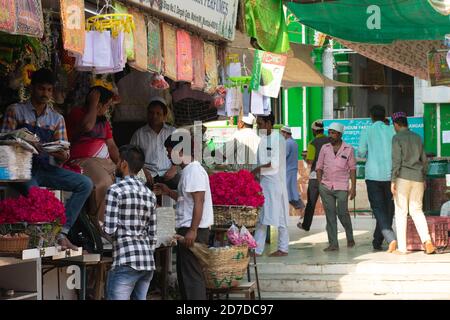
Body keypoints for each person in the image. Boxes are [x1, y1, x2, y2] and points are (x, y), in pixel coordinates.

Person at [1, 68, 93, 250]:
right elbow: (3, 141)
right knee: (37, 194)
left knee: (86, 184)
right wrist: (22, 142)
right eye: (42, 89)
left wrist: (58, 153)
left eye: (49, 90)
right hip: (20, 170)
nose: (46, 94)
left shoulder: (57, 118)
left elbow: (65, 154)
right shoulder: (15, 111)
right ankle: (44, 236)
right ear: (32, 88)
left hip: (45, 168)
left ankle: (62, 231)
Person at [154, 133, 213, 300]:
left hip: (194, 230)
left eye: (169, 150)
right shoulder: (188, 171)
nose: (167, 154)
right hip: (188, 229)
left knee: (191, 278)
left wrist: (193, 230)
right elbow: (185, 200)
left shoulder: (193, 171)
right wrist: (167, 191)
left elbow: (198, 202)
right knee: (186, 276)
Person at [104, 145, 157, 300]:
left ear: (124, 164)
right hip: (147, 262)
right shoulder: (150, 194)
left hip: (126, 261)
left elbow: (110, 229)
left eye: (119, 161)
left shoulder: (115, 190)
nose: (117, 164)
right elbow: (152, 235)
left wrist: (99, 225)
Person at [66, 86, 119, 224]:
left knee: (125, 181)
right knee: (104, 182)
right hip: (82, 160)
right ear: (98, 104)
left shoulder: (104, 121)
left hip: (103, 162)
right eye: (106, 106)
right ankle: (100, 227)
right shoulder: (78, 114)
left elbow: (112, 146)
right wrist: (93, 103)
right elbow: (88, 126)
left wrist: (123, 165)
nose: (107, 110)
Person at [391, 112, 436, 254]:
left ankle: (402, 248)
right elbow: (425, 160)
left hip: (402, 177)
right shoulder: (417, 138)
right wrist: (423, 177)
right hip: (418, 178)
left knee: (401, 212)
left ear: (396, 125)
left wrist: (393, 180)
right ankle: (427, 241)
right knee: (417, 210)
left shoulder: (397, 138)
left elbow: (396, 161)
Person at [358, 105, 397, 252]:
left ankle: (390, 237)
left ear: (371, 117)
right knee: (388, 209)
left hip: (373, 176)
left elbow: (361, 153)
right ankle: (377, 241)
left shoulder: (367, 130)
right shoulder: (392, 130)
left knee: (378, 209)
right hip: (390, 175)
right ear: (384, 116)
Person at [252, 114, 290, 257]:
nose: (258, 127)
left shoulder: (278, 139)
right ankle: (257, 249)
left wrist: (255, 171)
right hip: (264, 183)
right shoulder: (262, 140)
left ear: (268, 123)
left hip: (275, 184)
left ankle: (283, 248)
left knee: (280, 217)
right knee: (262, 216)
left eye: (260, 124)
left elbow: (273, 164)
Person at [316, 122, 356, 252]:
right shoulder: (324, 148)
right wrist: (319, 184)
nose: (330, 136)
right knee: (330, 215)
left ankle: (349, 236)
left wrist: (353, 187)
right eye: (330, 133)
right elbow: (319, 166)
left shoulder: (348, 149)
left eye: (333, 133)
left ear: (340, 135)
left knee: (342, 213)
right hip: (326, 187)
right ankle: (333, 243)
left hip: (342, 187)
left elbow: (352, 169)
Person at [130, 97, 178, 189]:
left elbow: (184, 154)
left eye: (158, 113)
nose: (154, 116)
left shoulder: (173, 132)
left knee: (181, 182)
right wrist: (143, 170)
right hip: (147, 174)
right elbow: (131, 157)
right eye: (151, 113)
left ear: (165, 115)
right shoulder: (139, 134)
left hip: (168, 173)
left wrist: (174, 168)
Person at [298, 120, 330, 231]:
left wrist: (304, 156)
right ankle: (331, 226)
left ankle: (306, 225)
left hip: (315, 177)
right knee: (329, 203)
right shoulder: (330, 141)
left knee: (311, 202)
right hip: (329, 177)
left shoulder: (312, 143)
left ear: (314, 131)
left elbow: (310, 161)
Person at [281, 125, 305, 210]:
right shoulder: (294, 142)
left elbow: (282, 157)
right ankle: (301, 208)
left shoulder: (287, 143)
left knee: (288, 192)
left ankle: (301, 208)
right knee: (291, 191)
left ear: (286, 133)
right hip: (292, 169)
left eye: (282, 133)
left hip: (288, 170)